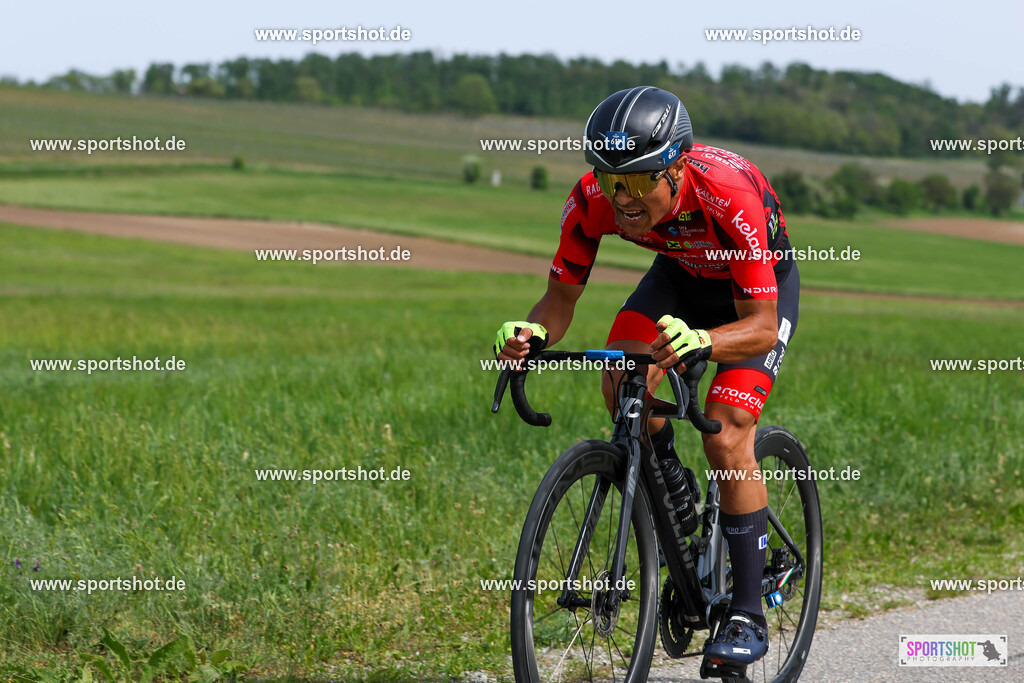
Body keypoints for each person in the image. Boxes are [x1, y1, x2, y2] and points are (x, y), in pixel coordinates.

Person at [492, 86, 799, 670]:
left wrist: (705, 340)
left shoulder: (728, 196)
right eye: (610, 179)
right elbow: (558, 301)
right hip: (680, 275)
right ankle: (677, 498)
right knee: (620, 380)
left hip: (756, 294)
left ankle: (746, 613)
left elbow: (760, 326)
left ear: (677, 168)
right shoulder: (591, 200)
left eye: (636, 181)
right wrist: (532, 334)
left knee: (726, 434)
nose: (622, 198)